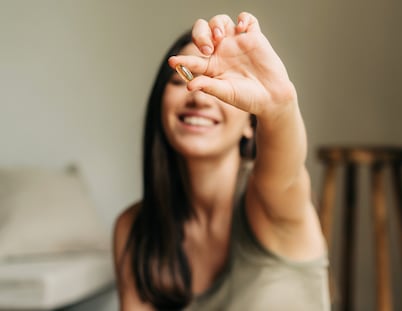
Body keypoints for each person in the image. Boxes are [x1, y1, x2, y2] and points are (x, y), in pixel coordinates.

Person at [113, 12, 330, 311]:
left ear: (250, 125)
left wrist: (278, 105)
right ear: (159, 106)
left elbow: (287, 174)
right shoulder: (135, 229)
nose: (199, 97)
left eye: (217, 85)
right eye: (182, 80)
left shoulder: (270, 202)